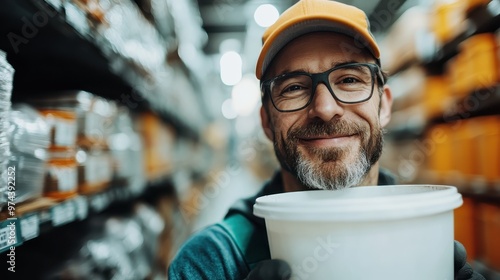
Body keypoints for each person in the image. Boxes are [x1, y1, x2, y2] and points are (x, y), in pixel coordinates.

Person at [168, 0, 485, 279]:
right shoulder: (211, 263)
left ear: (384, 105)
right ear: (266, 121)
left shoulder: (429, 235)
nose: (325, 108)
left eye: (348, 79)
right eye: (293, 87)